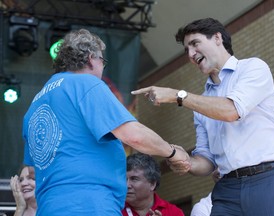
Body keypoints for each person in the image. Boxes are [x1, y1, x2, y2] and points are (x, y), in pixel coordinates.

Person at [22, 29, 190, 215]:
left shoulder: (34, 105)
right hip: (90, 205)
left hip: (48, 207)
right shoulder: (85, 83)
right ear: (90, 58)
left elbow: (31, 168)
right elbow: (134, 136)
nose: (102, 67)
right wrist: (173, 153)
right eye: (103, 61)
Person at [131, 17, 274, 215]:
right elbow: (207, 162)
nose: (190, 54)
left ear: (217, 38)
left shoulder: (253, 68)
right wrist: (184, 161)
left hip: (269, 179)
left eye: (195, 43)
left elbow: (231, 111)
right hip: (227, 188)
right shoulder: (200, 103)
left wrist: (176, 95)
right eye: (186, 49)